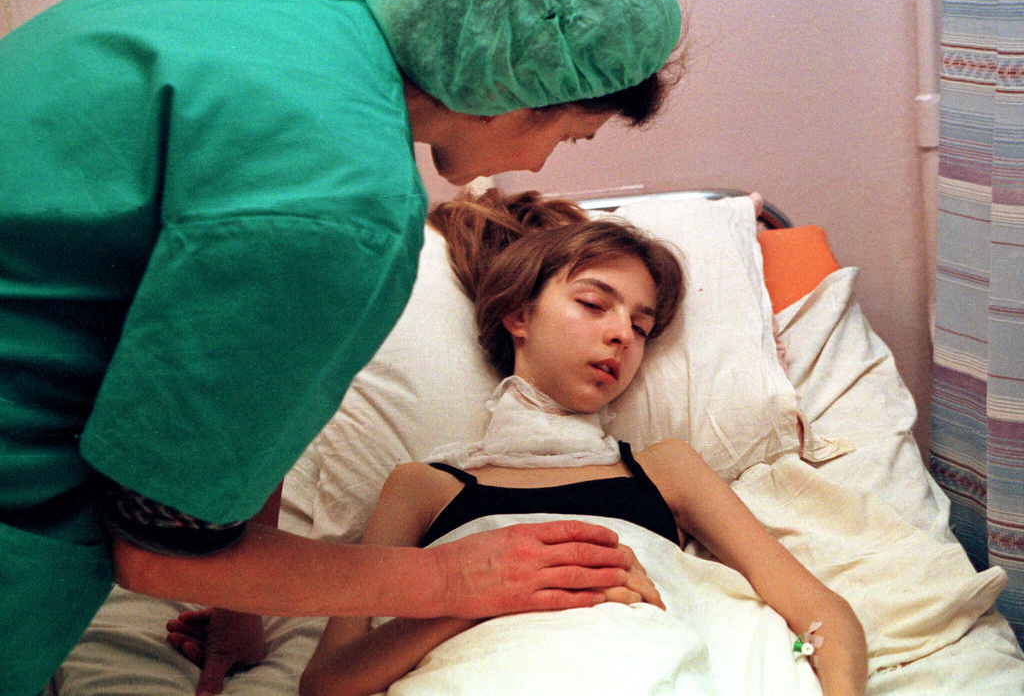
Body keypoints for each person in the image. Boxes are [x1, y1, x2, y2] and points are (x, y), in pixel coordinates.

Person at [0, 0, 685, 693]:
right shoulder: (345, 210)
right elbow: (159, 552)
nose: (544, 165)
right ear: (521, 83)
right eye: (568, 135)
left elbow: (233, 380)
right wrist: (452, 580)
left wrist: (241, 594)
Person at [286, 190, 868, 696]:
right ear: (518, 314)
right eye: (593, 304)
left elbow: (822, 613)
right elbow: (329, 681)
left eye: (641, 328)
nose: (621, 333)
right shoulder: (421, 487)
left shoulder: (667, 470)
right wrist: (479, 597)